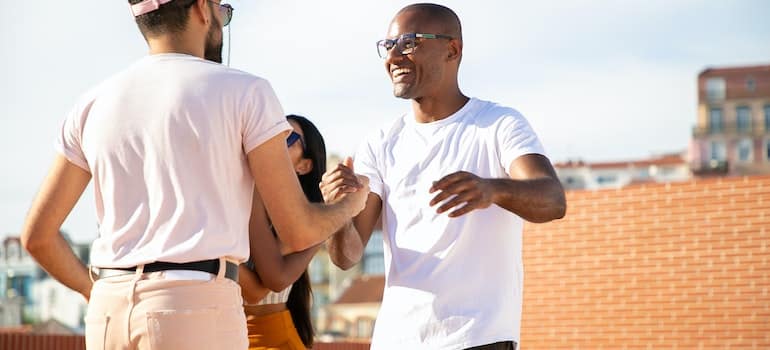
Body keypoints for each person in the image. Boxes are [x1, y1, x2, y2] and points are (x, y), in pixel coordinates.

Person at [20, 1, 368, 349]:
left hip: (107, 313)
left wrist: (91, 290)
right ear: (202, 9)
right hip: (192, 308)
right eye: (223, 10)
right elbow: (298, 231)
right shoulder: (246, 91)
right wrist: (350, 205)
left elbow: (38, 237)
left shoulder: (91, 103)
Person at [321, 3, 566, 350]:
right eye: (388, 46)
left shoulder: (497, 124)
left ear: (452, 49)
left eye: (409, 43)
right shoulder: (379, 143)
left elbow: (553, 200)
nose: (395, 56)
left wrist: (492, 190)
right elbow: (346, 257)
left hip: (478, 339)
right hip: (397, 341)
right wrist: (338, 213)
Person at [239, 115, 325, 350]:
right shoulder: (236, 198)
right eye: (271, 133)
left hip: (270, 339)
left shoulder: (305, 221)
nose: (274, 141)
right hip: (222, 331)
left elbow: (258, 288)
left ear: (304, 166)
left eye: (288, 138)